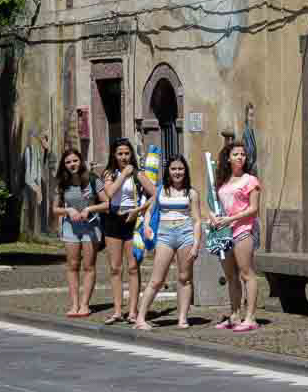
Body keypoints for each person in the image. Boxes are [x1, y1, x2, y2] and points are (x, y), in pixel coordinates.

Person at [137, 155, 203, 329]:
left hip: (185, 235)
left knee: (185, 278)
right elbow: (149, 212)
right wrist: (146, 227)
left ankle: (182, 318)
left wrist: (196, 244)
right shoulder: (160, 190)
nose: (177, 172)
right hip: (165, 236)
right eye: (173, 169)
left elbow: (197, 220)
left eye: (180, 169)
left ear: (185, 171)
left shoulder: (192, 193)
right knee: (157, 279)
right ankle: (140, 318)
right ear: (168, 171)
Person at [101, 139, 156, 327]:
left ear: (131, 154)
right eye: (120, 154)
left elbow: (156, 194)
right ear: (114, 156)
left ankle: (133, 311)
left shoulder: (138, 174)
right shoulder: (110, 173)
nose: (124, 157)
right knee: (115, 268)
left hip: (132, 220)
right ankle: (117, 310)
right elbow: (109, 193)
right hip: (113, 220)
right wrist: (123, 174)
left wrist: (140, 209)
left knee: (133, 267)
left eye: (126, 153)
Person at [211, 139, 261, 332]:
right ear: (228, 158)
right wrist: (215, 218)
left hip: (243, 231)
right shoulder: (222, 182)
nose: (240, 157)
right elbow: (216, 206)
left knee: (247, 273)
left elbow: (254, 209)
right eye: (236, 154)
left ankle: (250, 317)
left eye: (243, 154)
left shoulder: (250, 181)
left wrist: (231, 218)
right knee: (231, 276)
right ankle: (234, 315)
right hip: (224, 233)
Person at [52, 147, 105, 319]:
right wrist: (68, 211)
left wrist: (89, 208)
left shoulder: (92, 179)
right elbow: (55, 209)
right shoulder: (62, 182)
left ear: (80, 161)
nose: (71, 164)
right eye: (68, 162)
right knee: (72, 266)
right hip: (71, 228)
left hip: (91, 226)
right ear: (64, 165)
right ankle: (74, 304)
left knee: (89, 266)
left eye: (74, 160)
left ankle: (85, 305)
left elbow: (107, 204)